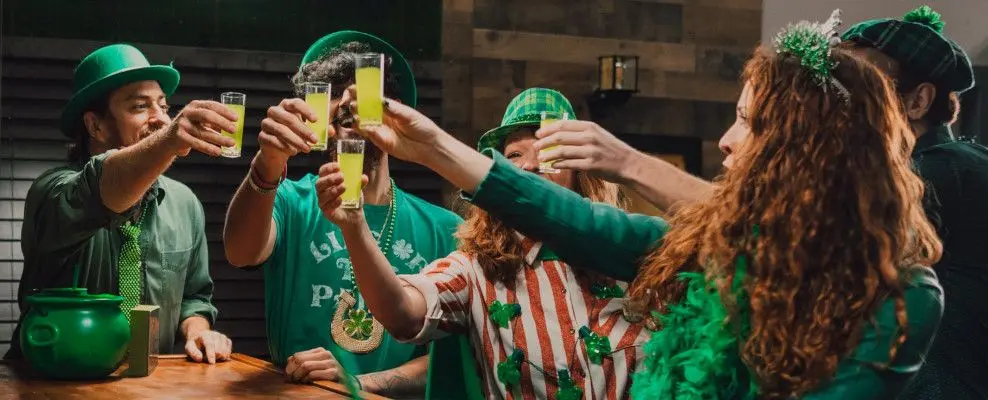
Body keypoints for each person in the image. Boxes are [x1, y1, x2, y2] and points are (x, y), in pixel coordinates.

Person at [340, 10, 947, 399]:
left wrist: (627, 161)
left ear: (804, 151)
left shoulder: (900, 298)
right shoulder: (706, 248)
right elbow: (584, 224)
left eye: (748, 122)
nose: (727, 141)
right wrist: (434, 148)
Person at [317, 88, 648, 398]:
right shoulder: (477, 270)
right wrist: (355, 228)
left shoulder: (633, 256)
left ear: (579, 171)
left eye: (549, 152)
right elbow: (401, 313)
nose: (529, 166)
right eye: (514, 155)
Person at [221, 31, 461, 397]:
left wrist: (355, 385)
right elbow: (240, 252)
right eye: (332, 111)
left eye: (356, 106)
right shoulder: (291, 200)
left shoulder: (445, 229)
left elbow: (451, 358)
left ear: (394, 115)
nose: (343, 125)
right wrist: (267, 162)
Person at [7, 44, 233, 363]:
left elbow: (194, 298)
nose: (161, 119)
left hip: (149, 383)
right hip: (54, 380)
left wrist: (198, 331)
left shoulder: (185, 203)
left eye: (164, 106)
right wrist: (169, 142)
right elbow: (104, 187)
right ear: (95, 125)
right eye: (140, 107)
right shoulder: (53, 191)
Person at [840, 6, 988, 399]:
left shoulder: (951, 170)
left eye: (863, 88)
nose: (845, 105)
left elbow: (813, 225)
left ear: (918, 100)